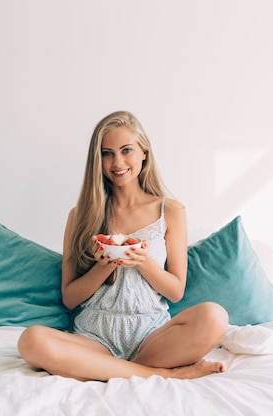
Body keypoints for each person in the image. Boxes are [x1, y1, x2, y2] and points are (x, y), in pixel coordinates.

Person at [17, 110, 229, 381]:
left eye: (126, 150)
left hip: (152, 335)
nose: (117, 162)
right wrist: (104, 266)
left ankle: (112, 370)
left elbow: (176, 291)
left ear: (144, 153)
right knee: (31, 340)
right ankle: (163, 375)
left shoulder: (171, 211)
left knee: (214, 316)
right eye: (107, 153)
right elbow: (70, 298)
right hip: (94, 336)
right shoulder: (80, 214)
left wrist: (143, 261)